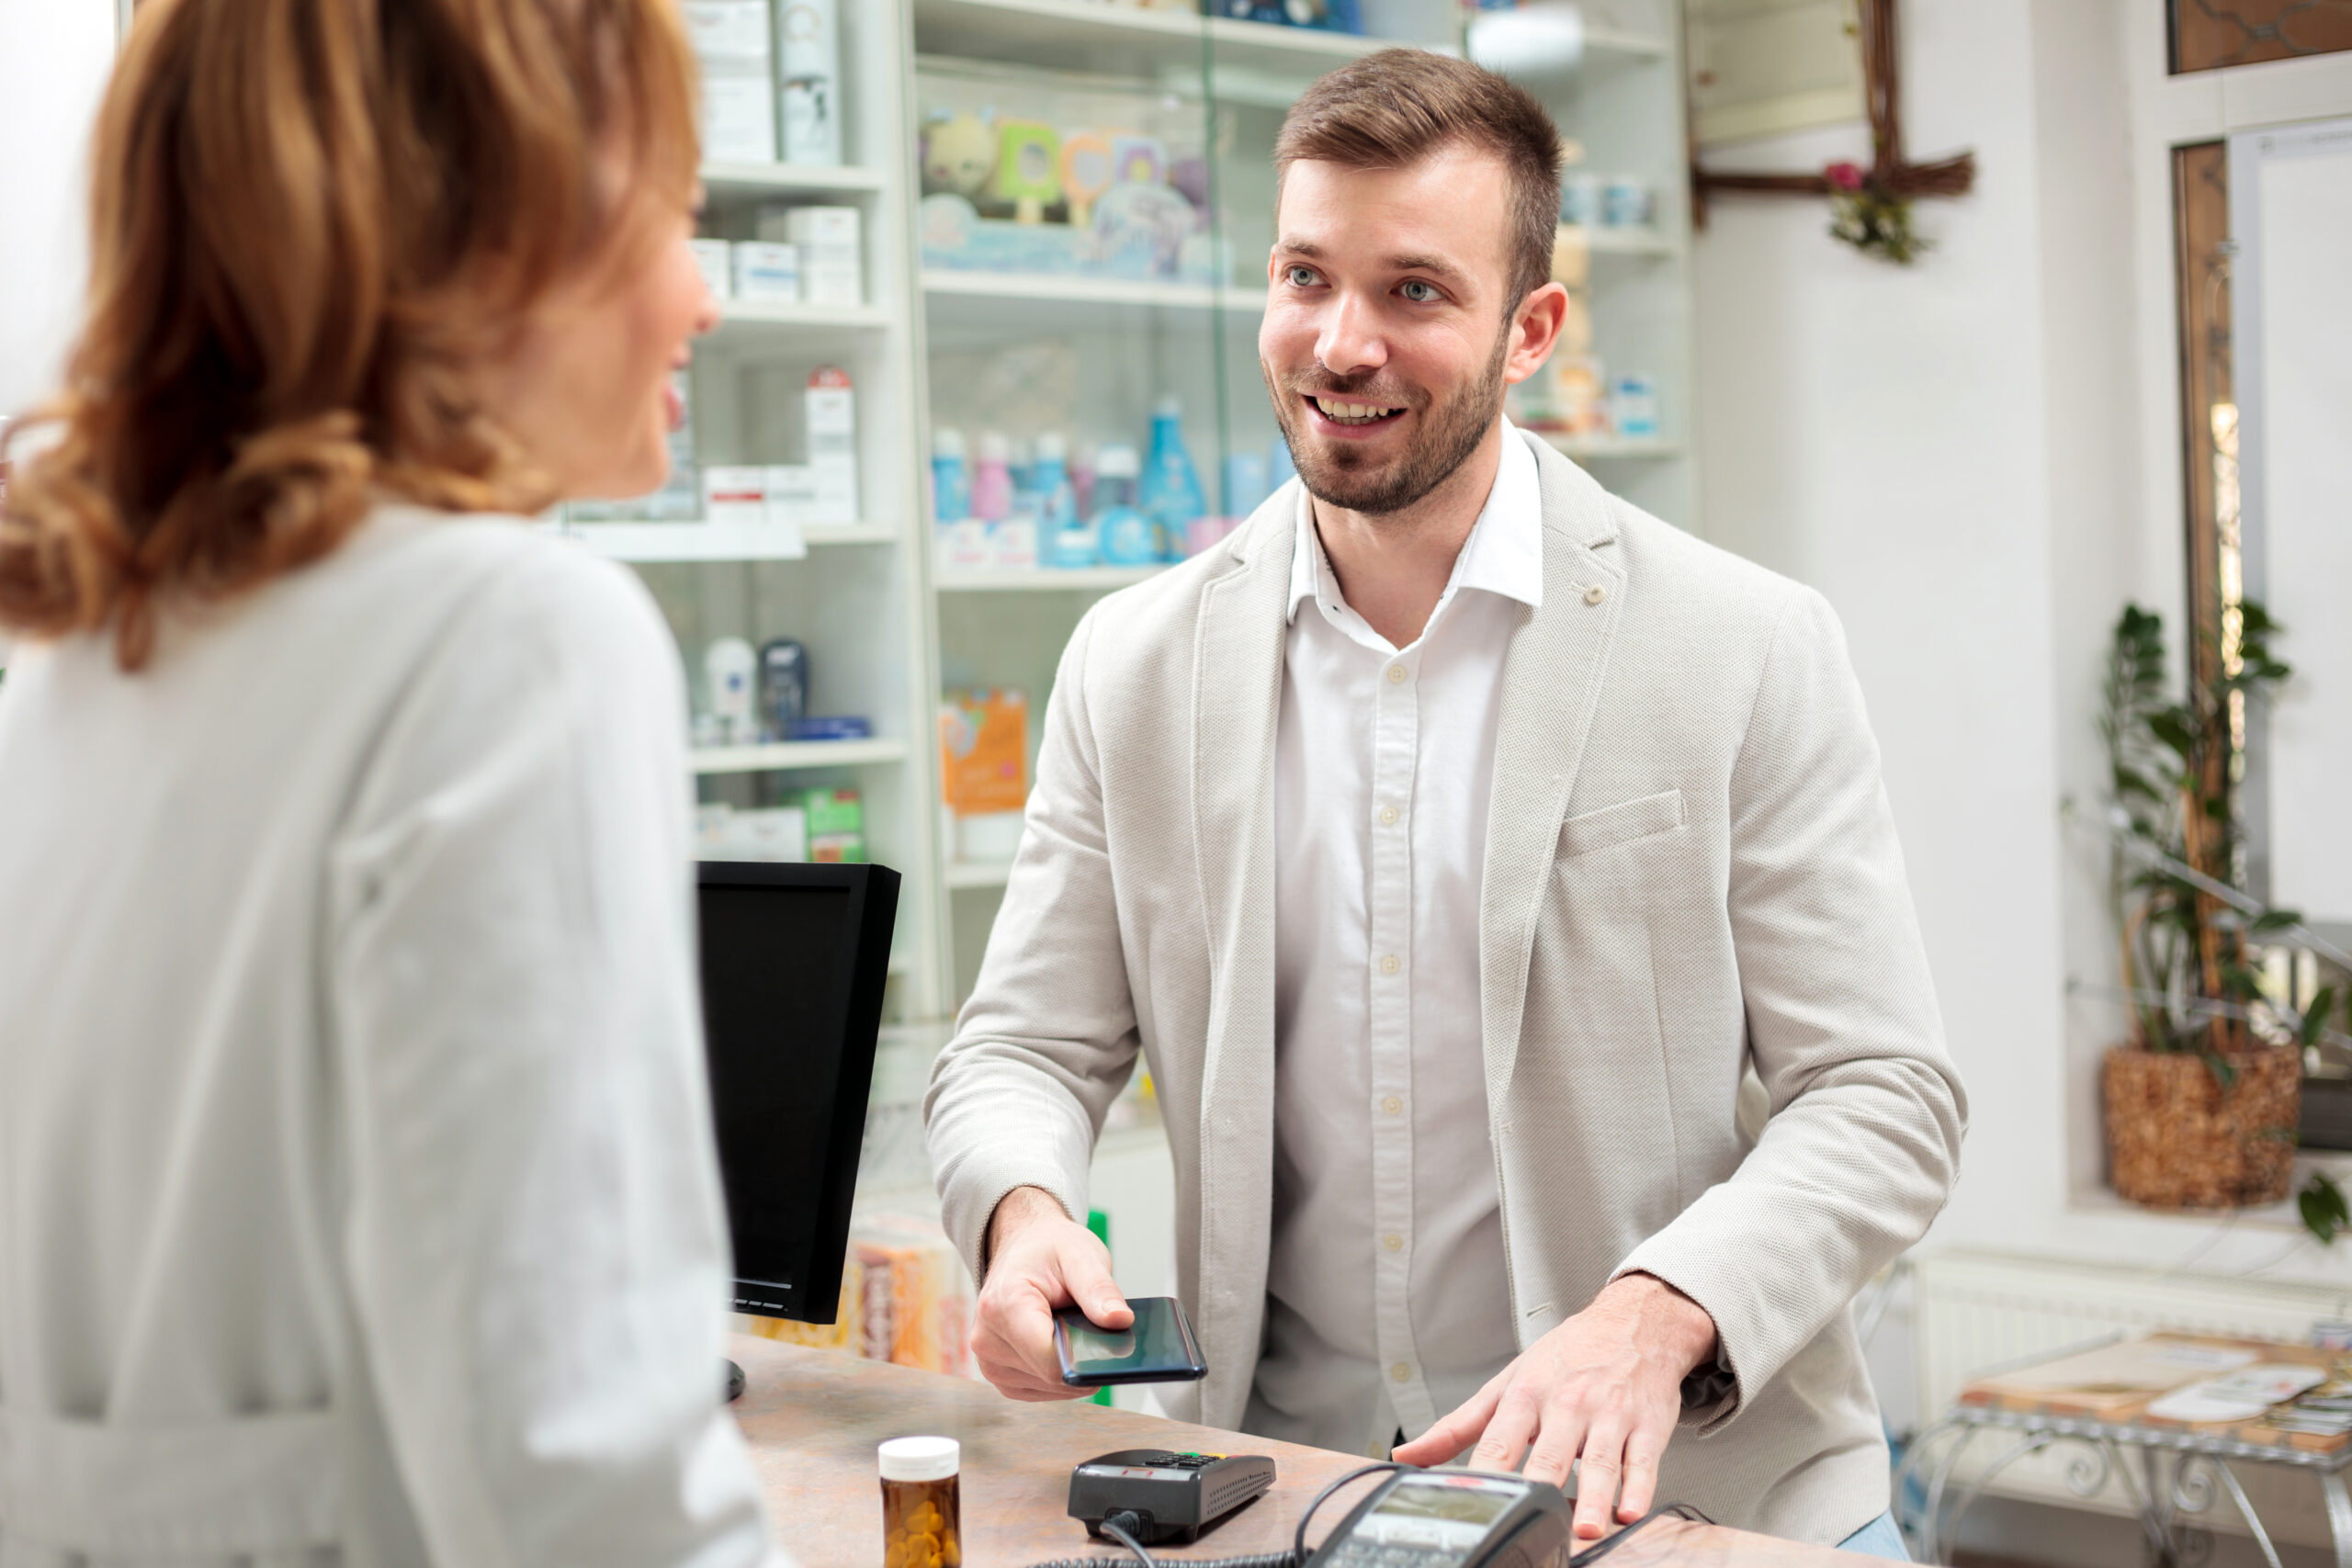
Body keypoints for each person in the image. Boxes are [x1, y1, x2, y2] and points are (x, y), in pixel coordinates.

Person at [924, 50, 1962, 1560]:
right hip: (1292, 1495)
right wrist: (1019, 1217)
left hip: (1693, 1506)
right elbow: (1022, 1043)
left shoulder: (1743, 645)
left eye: (1415, 290)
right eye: (1304, 277)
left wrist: (1657, 1315)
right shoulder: (1134, 664)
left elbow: (1884, 1094)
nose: (1341, 344)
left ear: (1531, 327)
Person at [0, 1, 777, 1562]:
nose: (699, 297)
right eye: (675, 217)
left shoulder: (81, 676)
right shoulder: (511, 640)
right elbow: (586, 1488)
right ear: (491, 231)